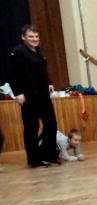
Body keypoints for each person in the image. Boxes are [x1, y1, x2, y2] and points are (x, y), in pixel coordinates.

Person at [8, 24, 59, 168]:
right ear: (23, 37)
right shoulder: (17, 52)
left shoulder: (38, 51)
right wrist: (18, 93)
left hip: (43, 94)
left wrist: (49, 82)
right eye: (31, 36)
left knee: (51, 124)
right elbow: (11, 74)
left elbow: (42, 70)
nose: (35, 39)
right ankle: (34, 159)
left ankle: (48, 155)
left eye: (37, 36)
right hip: (28, 96)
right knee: (32, 127)